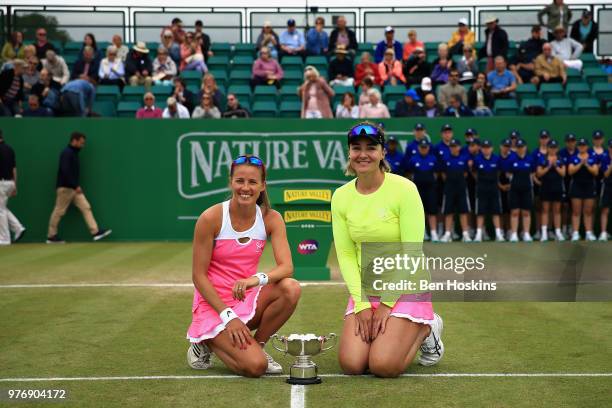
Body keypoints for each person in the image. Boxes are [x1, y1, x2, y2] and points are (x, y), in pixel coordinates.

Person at [332, 122, 444, 377]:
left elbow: (412, 252)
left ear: (382, 153)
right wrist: (361, 305)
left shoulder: (405, 189)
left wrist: (386, 305)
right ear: (349, 153)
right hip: (367, 288)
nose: (363, 154)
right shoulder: (340, 196)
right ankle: (389, 333)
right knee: (352, 364)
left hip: (405, 286)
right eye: (356, 148)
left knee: (383, 365)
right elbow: (346, 254)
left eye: (371, 148)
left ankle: (428, 327)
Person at [186, 154, 299, 377]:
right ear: (231, 182)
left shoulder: (271, 218)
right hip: (214, 307)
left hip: (245, 299)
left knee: (291, 288)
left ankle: (259, 345)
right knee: (255, 367)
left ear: (262, 186)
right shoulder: (211, 218)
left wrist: (255, 279)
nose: (245, 188)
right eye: (239, 181)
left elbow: (286, 267)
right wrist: (228, 316)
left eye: (252, 182)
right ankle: (206, 340)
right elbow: (198, 276)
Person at [46, 132, 111, 244]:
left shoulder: (73, 153)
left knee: (86, 207)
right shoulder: (67, 153)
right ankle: (51, 236)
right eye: (81, 143)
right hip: (66, 188)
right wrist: (75, 185)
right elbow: (65, 171)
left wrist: (75, 186)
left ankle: (95, 232)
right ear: (74, 141)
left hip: (73, 188)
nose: (83, 145)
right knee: (59, 211)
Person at [406, 139, 439, 242]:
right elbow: (409, 173)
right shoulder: (413, 159)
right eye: (422, 147)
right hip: (418, 189)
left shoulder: (433, 158)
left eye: (425, 147)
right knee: (420, 211)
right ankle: (423, 232)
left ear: (428, 148)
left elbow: (437, 173)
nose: (424, 149)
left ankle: (433, 233)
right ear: (419, 148)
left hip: (431, 188)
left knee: (432, 211)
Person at [472, 140, 505, 242]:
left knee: (496, 212)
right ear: (481, 149)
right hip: (481, 189)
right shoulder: (477, 159)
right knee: (480, 213)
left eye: (488, 147)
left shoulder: (497, 159)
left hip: (494, 189)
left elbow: (499, 172)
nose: (486, 149)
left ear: (492, 148)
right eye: (484, 147)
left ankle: (499, 235)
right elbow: (474, 172)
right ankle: (478, 235)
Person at [439, 139, 472, 242]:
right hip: (449, 188)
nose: (453, 148)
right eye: (452, 146)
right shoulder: (446, 159)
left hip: (461, 188)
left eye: (455, 146)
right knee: (448, 211)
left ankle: (465, 234)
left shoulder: (464, 158)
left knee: (463, 211)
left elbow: (466, 174)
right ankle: (447, 233)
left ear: (459, 147)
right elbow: (443, 174)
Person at [567, 138, 599, 241]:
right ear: (578, 147)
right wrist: (580, 164)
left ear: (587, 147)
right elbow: (570, 171)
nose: (582, 147)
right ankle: (575, 233)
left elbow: (595, 172)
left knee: (588, 211)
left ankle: (588, 233)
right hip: (576, 186)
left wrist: (586, 164)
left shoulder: (592, 158)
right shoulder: (573, 158)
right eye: (580, 145)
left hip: (589, 186)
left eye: (584, 145)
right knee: (576, 211)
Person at [536, 139, 567, 241]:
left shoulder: (560, 159)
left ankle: (558, 232)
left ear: (557, 149)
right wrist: (549, 166)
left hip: (557, 188)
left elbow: (563, 173)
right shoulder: (542, 159)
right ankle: (544, 233)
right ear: (548, 148)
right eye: (550, 147)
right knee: (545, 210)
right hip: (545, 187)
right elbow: (539, 173)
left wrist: (556, 166)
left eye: (554, 148)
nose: (552, 149)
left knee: (557, 211)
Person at [506, 138, 535, 242]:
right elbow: (508, 174)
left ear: (525, 147)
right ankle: (514, 234)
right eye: (518, 147)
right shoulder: (511, 159)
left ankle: (526, 233)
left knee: (526, 212)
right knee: (514, 212)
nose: (520, 149)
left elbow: (532, 173)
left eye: (522, 147)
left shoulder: (530, 159)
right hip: (514, 190)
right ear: (516, 148)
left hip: (527, 189)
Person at [0, 130, 26, 245]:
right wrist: (14, 185)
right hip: (9, 183)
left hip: (1, 183)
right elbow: (14, 168)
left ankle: (4, 238)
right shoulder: (9, 149)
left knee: (0, 210)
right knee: (2, 208)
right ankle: (18, 228)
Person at [598, 140, 612, 241]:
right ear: (609, 148)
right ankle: (603, 233)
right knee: (605, 210)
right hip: (607, 186)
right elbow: (606, 174)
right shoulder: (604, 158)